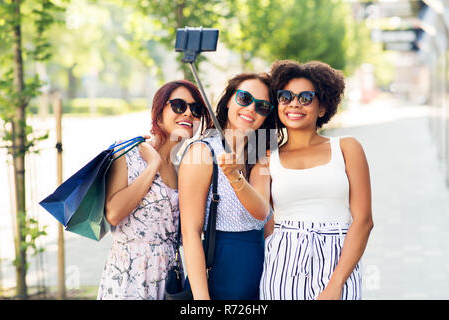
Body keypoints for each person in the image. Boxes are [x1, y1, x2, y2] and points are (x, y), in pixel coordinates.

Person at [259, 60, 374, 300]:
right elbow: (261, 213)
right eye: (286, 96)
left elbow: (363, 221)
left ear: (322, 108)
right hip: (283, 261)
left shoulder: (347, 148)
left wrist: (336, 283)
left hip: (337, 259)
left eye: (306, 98)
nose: (294, 104)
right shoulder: (267, 156)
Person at [97, 80, 211, 300]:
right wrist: (153, 166)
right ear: (158, 114)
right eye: (179, 105)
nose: (188, 113)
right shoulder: (128, 152)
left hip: (169, 280)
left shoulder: (184, 168)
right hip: (128, 278)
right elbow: (113, 214)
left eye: (195, 109)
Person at [179, 73, 276, 300]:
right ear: (229, 100)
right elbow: (190, 232)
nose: (251, 108)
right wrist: (202, 300)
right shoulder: (203, 152)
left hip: (261, 271)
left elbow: (263, 215)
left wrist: (236, 176)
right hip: (220, 269)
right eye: (244, 98)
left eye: (262, 106)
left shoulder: (260, 154)